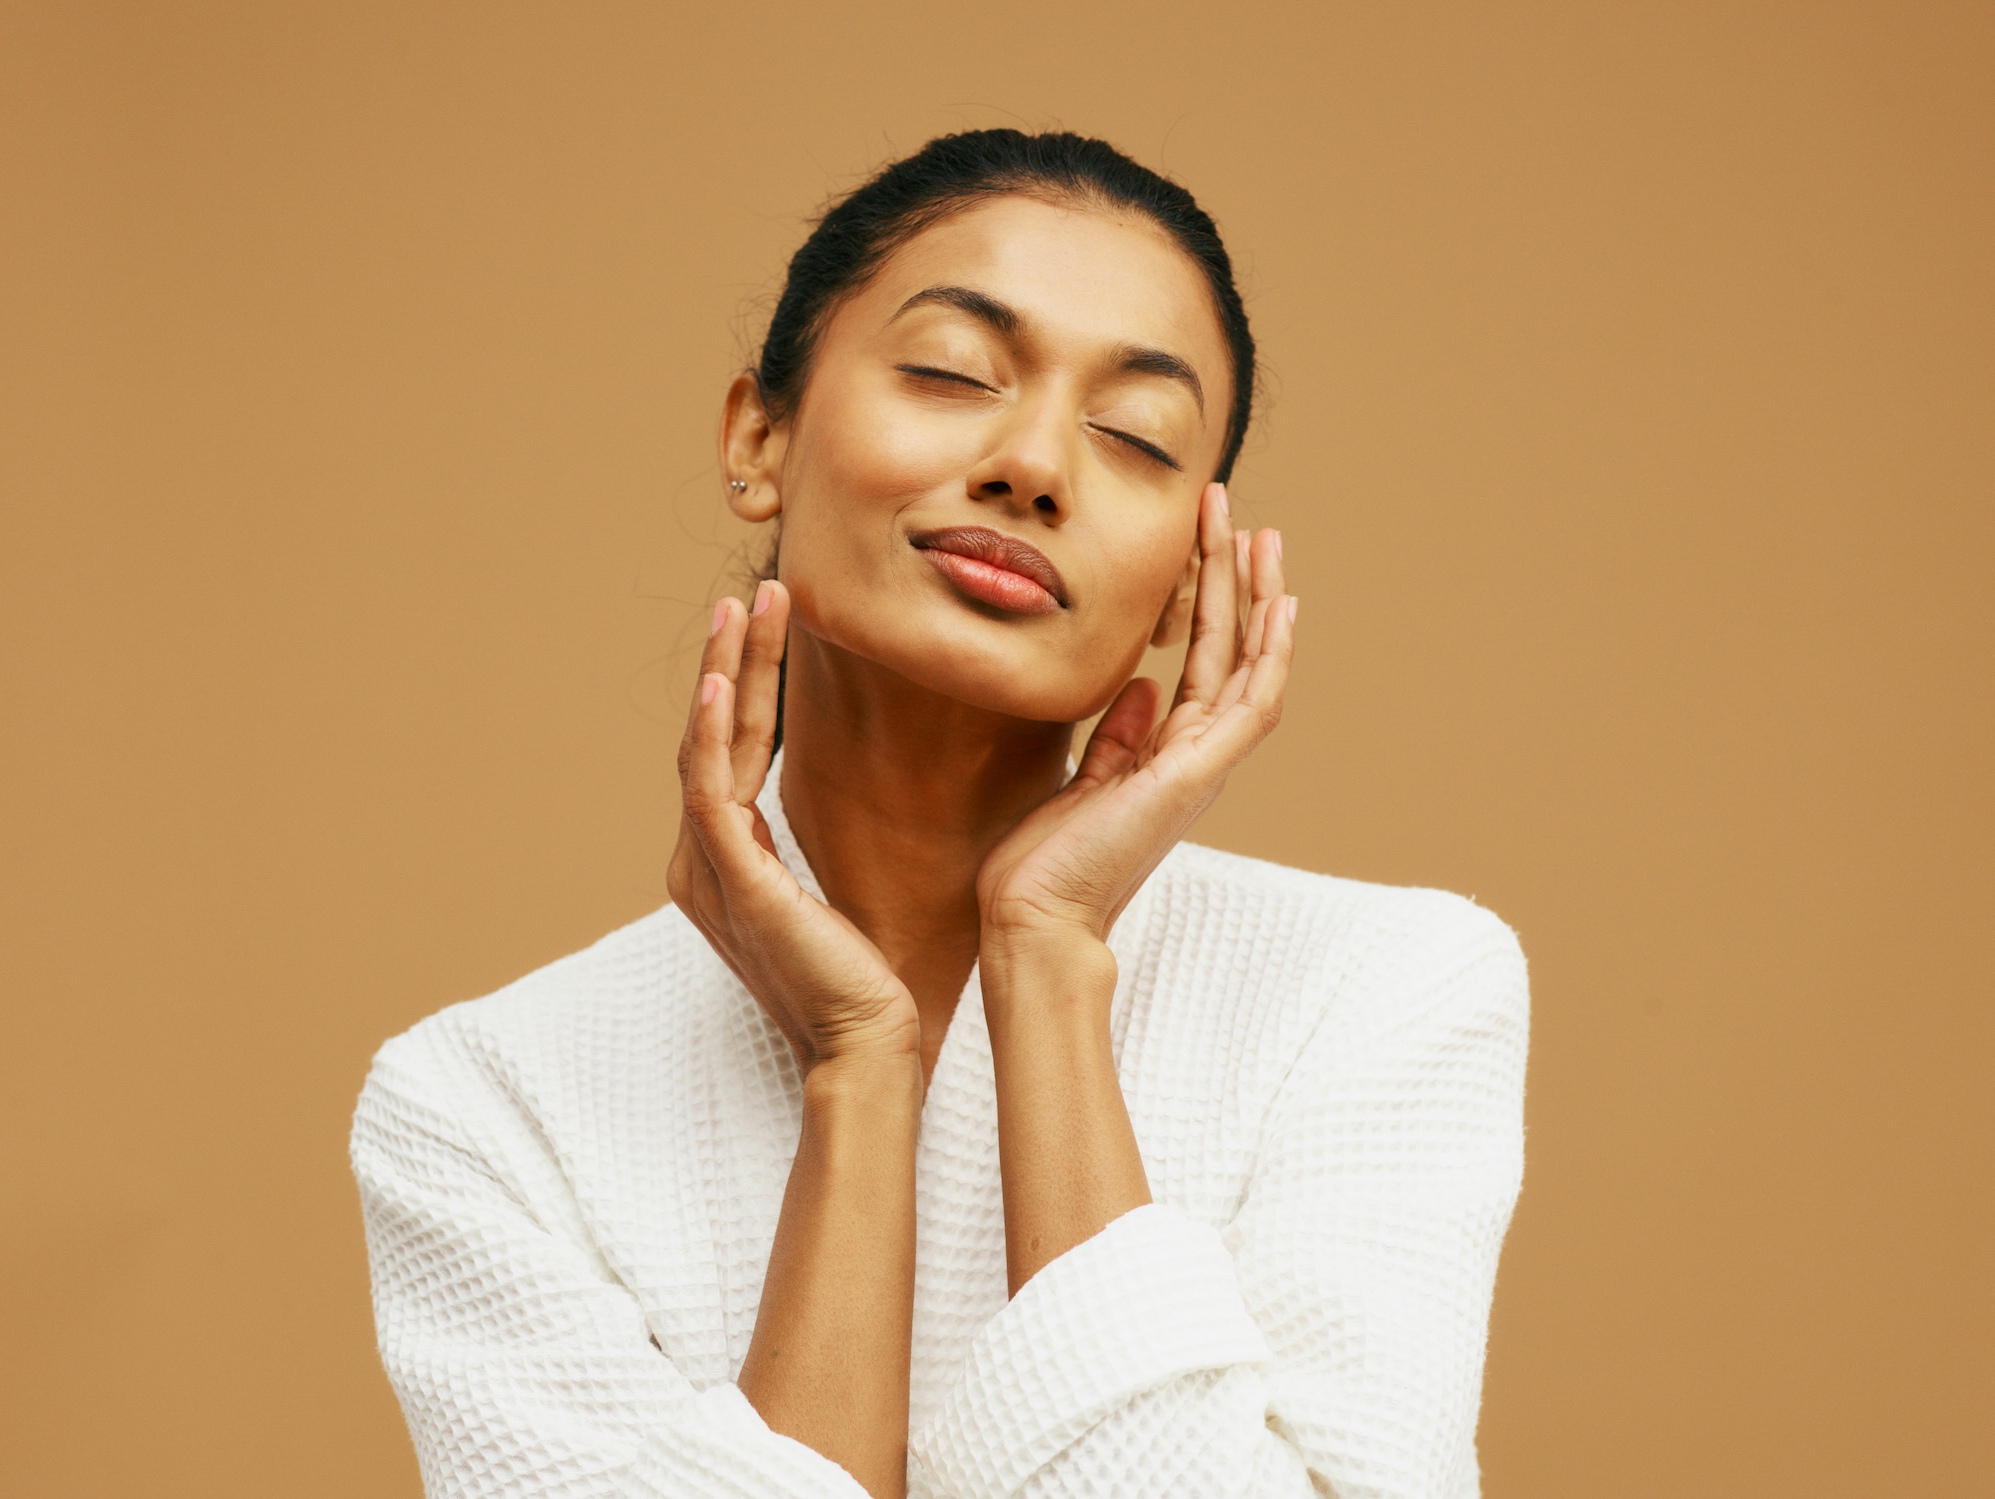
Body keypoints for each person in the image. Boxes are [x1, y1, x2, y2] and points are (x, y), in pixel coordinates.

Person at [352, 129, 1529, 1499]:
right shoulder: (488, 1101)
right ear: (759, 438)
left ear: (1186, 578)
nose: (1034, 464)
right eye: (950, 372)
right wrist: (858, 1074)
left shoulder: (1380, 991)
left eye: (1135, 437)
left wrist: (1049, 960)